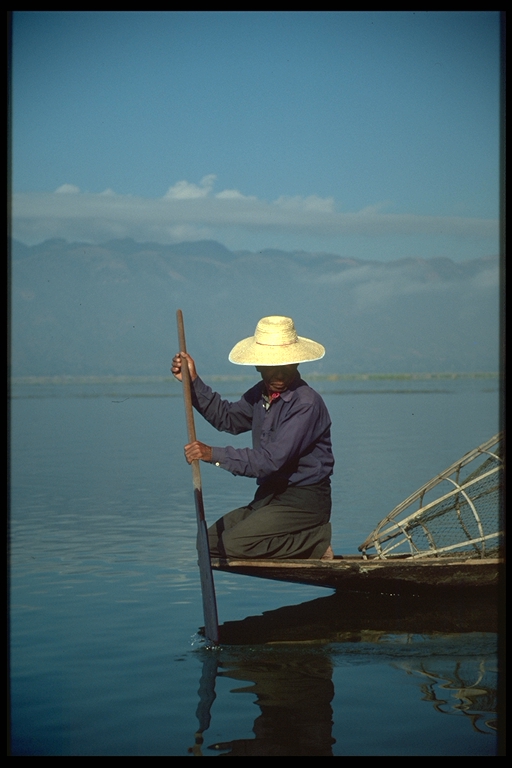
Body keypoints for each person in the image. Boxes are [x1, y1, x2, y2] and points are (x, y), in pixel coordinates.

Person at [172, 315, 334, 560]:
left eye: (286, 366)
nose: (279, 375)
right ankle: (295, 540)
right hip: (270, 496)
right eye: (272, 367)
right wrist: (193, 382)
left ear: (297, 364)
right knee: (207, 542)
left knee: (236, 546)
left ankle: (314, 542)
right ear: (259, 366)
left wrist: (211, 454)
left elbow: (269, 461)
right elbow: (226, 417)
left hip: (304, 500)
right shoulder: (262, 395)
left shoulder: (306, 403)